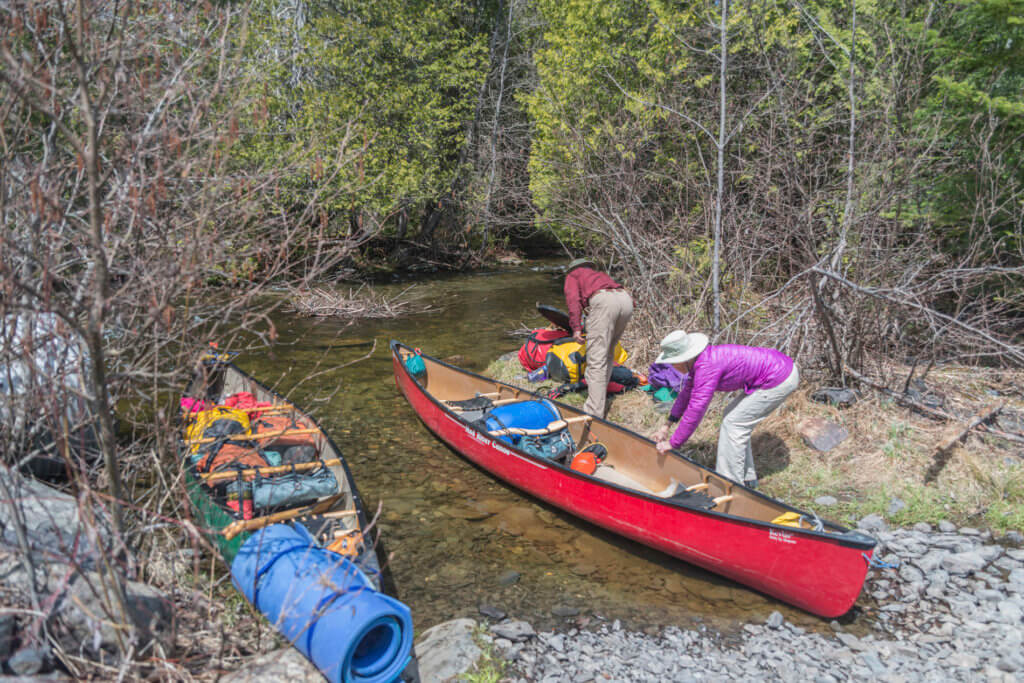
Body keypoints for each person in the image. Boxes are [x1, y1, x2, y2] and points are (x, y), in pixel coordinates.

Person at [652, 330, 798, 488]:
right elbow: (686, 395)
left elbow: (696, 409)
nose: (673, 366)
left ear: (685, 358)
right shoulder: (700, 362)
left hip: (779, 377)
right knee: (731, 416)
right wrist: (667, 425)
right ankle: (747, 478)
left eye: (674, 362)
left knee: (734, 423)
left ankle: (728, 485)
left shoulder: (707, 367)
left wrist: (674, 443)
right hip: (777, 370)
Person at [563, 257, 633, 418]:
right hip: (625, 300)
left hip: (604, 302)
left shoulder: (573, 276)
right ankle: (601, 396)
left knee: (596, 360)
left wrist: (576, 329)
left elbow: (573, 301)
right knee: (607, 353)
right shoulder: (599, 275)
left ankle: (593, 414)